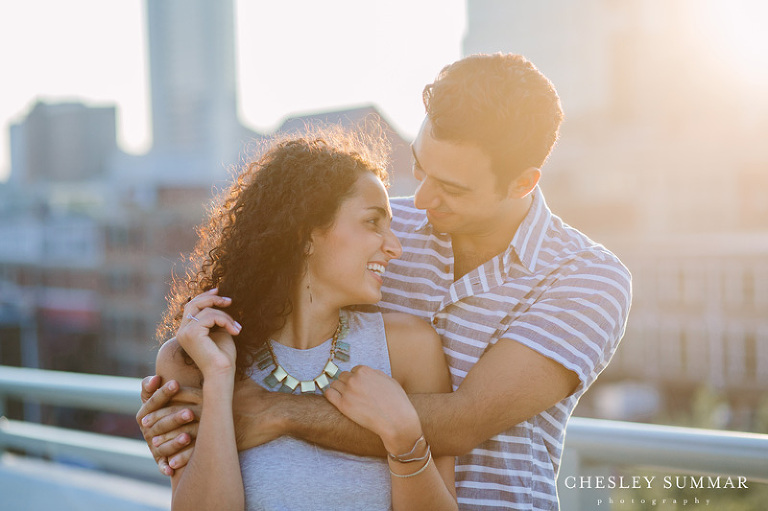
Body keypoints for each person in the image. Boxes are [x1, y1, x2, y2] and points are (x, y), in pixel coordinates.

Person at [138, 53, 632, 510]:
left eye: (452, 188)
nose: (421, 200)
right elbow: (277, 286)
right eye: (420, 168)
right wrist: (186, 409)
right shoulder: (378, 232)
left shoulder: (586, 279)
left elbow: (465, 422)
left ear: (522, 183)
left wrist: (277, 414)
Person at [148, 130, 458, 510]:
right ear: (306, 232)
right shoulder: (196, 357)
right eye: (373, 222)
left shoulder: (411, 349)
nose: (395, 246)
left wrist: (405, 438)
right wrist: (218, 376)